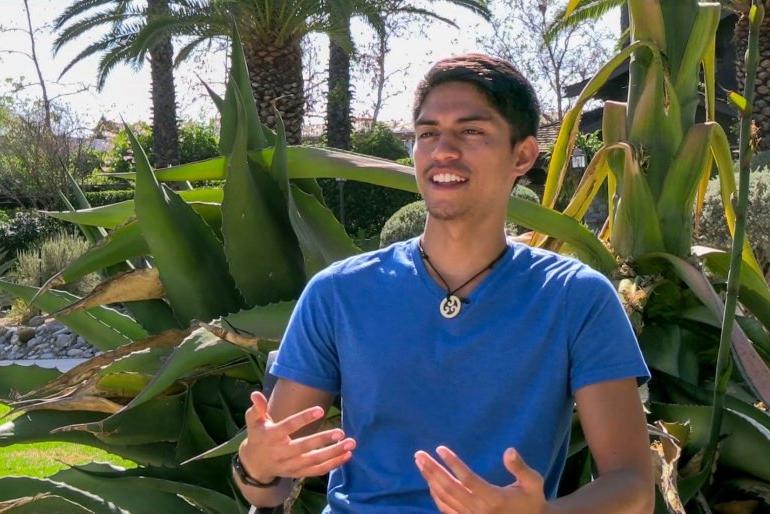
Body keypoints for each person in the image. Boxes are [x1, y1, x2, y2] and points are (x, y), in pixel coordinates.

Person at [232, 54, 654, 514]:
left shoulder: (577, 297)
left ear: (523, 154)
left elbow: (632, 485)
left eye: (471, 132)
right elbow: (268, 486)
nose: (443, 150)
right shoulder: (338, 294)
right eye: (428, 133)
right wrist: (255, 463)